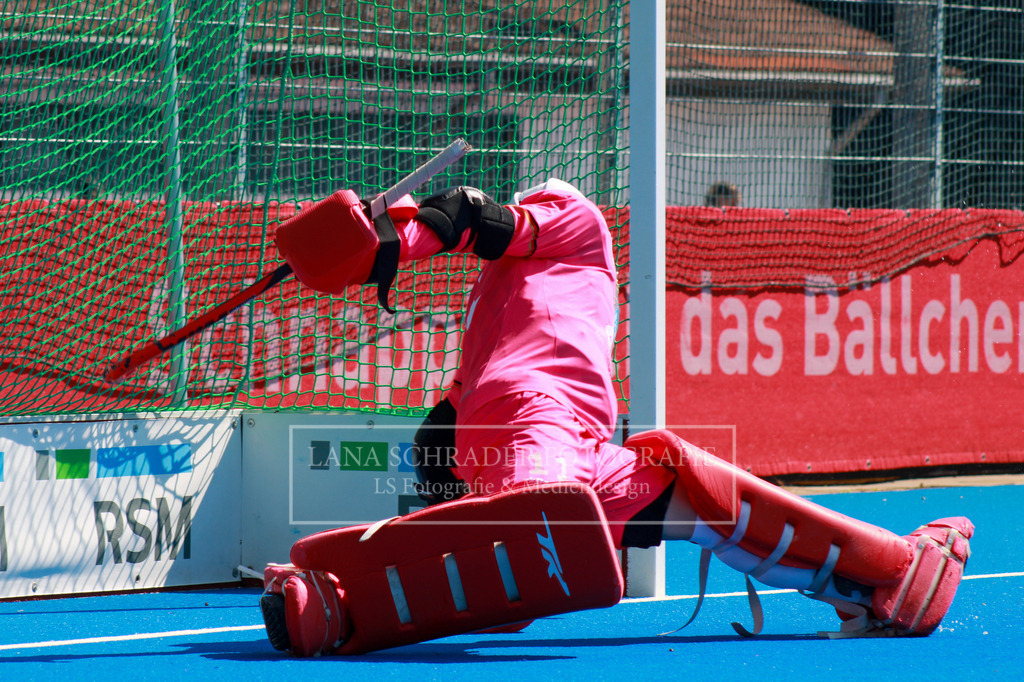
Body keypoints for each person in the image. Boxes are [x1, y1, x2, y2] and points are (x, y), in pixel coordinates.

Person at [261, 179, 973, 656]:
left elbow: (474, 218)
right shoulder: (502, 294)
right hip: (533, 424)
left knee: (688, 488)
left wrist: (402, 235)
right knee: (526, 533)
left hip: (570, 442)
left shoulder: (575, 223)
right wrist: (386, 240)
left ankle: (889, 575)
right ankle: (361, 593)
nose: (526, 200)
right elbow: (451, 409)